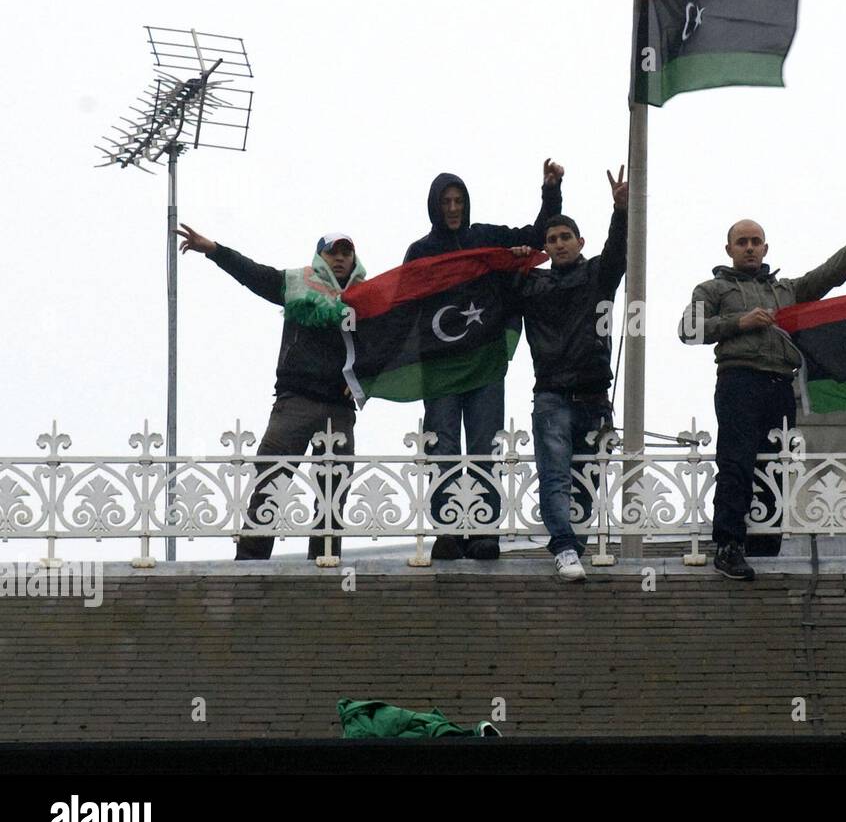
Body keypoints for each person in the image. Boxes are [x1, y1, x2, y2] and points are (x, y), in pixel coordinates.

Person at [679, 194, 846, 581]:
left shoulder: (785, 290)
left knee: (775, 465)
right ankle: (728, 545)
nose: (749, 247)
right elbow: (688, 330)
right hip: (739, 380)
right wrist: (738, 323)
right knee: (736, 462)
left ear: (766, 248)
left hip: (780, 384)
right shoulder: (711, 289)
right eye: (742, 242)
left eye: (756, 241)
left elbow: (832, 273)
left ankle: (766, 548)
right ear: (728, 249)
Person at [404, 160, 565, 561]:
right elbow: (403, 307)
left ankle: (482, 531)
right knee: (442, 448)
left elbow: (537, 237)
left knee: (484, 447)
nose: (454, 208)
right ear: (434, 207)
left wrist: (550, 190)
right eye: (446, 202)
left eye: (459, 200)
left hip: (484, 363)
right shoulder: (420, 252)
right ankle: (447, 531)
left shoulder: (486, 239)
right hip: (440, 367)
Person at [176, 224, 365, 561]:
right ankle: (250, 562)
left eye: (345, 252)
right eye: (332, 252)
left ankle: (325, 564)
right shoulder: (296, 283)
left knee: (334, 493)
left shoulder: (368, 298)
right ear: (320, 256)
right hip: (295, 401)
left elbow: (387, 344)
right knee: (271, 482)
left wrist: (367, 383)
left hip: (339, 408)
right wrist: (215, 250)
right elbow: (254, 274)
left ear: (353, 258)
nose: (339, 258)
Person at [509, 167, 628, 582]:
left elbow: (620, 250)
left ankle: (577, 541)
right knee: (555, 476)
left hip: (595, 397)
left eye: (565, 238)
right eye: (551, 240)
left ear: (581, 242)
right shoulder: (530, 284)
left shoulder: (598, 275)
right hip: (553, 396)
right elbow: (495, 279)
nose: (558, 244)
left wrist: (622, 210)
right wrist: (550, 191)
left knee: (586, 483)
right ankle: (563, 547)